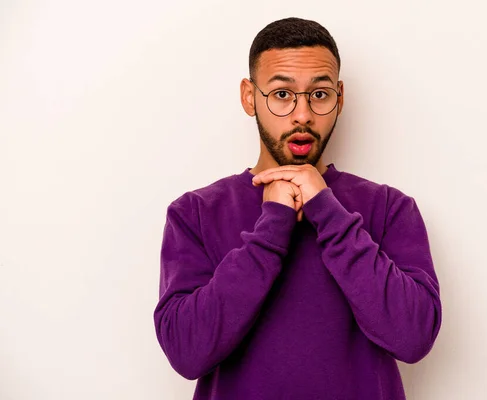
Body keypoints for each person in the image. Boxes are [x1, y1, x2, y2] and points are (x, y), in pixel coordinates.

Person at [153, 17, 442, 400]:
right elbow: (186, 352)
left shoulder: (389, 208)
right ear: (248, 96)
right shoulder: (195, 213)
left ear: (339, 97)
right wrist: (272, 227)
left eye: (319, 95)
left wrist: (328, 211)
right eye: (282, 95)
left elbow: (414, 337)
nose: (303, 114)